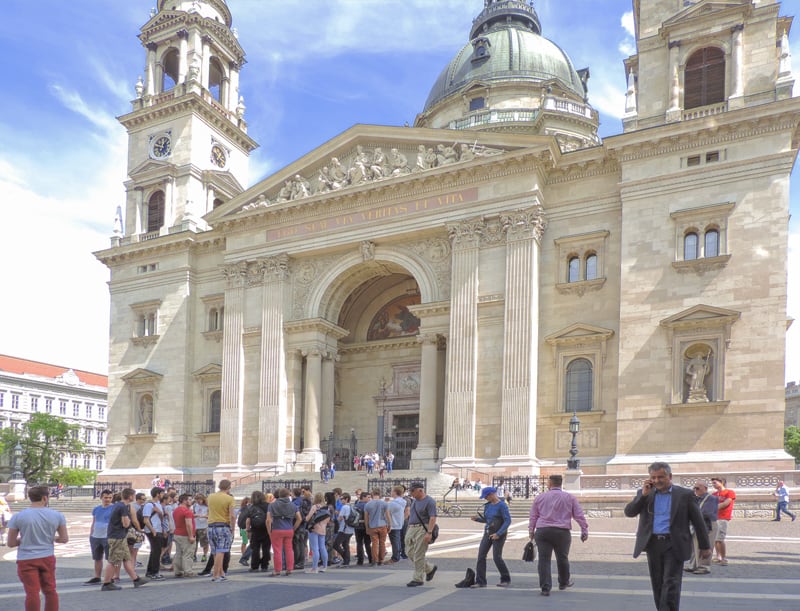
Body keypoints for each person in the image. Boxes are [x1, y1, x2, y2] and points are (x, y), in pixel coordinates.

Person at [625, 461, 711, 611]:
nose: (657, 481)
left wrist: (705, 546)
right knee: (657, 583)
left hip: (674, 543)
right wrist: (643, 496)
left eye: (661, 477)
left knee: (671, 582)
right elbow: (630, 512)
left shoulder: (684, 495)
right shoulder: (645, 493)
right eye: (654, 477)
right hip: (653, 544)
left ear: (669, 476)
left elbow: (698, 521)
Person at [7, 485, 69, 611]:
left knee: (32, 592)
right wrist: (51, 538)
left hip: (26, 558)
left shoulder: (19, 516)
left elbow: (11, 543)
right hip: (47, 557)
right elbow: (64, 539)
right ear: (45, 498)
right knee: (50, 590)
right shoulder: (57, 515)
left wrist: (25, 539)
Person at [529, 474, 588, 596]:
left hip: (543, 531)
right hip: (562, 532)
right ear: (561, 483)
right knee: (562, 558)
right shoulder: (569, 497)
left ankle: (545, 587)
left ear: (549, 483)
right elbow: (579, 515)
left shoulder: (540, 497)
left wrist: (531, 531)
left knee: (544, 560)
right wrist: (584, 529)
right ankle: (563, 582)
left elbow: (533, 516)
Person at [99, 487, 148, 591]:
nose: (134, 497)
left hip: (117, 536)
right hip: (118, 537)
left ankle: (136, 579)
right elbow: (125, 524)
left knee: (126, 559)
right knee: (113, 560)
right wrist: (130, 522)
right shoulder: (124, 507)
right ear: (130, 496)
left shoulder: (118, 505)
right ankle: (107, 583)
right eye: (134, 496)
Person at [466, 486, 512, 588]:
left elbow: (507, 521)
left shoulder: (502, 506)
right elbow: (487, 519)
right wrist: (477, 519)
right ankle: (481, 581)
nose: (485, 498)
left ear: (492, 494)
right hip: (488, 533)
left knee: (497, 557)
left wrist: (498, 534)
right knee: (481, 556)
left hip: (498, 535)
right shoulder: (487, 505)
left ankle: (505, 579)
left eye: (486, 496)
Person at [404, 481, 437, 587]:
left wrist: (429, 532)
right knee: (409, 551)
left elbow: (433, 517)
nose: (411, 493)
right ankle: (429, 568)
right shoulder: (414, 501)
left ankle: (418, 578)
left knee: (419, 553)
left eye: (412, 491)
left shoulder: (430, 501)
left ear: (420, 490)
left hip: (423, 528)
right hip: (412, 528)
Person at [684, 481, 718, 575]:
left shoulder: (712, 498)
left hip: (708, 524)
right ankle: (693, 564)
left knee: (707, 544)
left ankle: (704, 566)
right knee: (694, 545)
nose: (695, 490)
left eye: (698, 488)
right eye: (694, 488)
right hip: (697, 524)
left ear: (705, 488)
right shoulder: (695, 499)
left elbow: (707, 512)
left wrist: (693, 515)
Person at [207, 479, 236, 582]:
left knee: (215, 551)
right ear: (228, 487)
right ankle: (216, 575)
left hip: (210, 526)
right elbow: (232, 515)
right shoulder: (229, 499)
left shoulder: (210, 497)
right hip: (223, 526)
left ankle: (221, 572)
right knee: (221, 551)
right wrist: (232, 528)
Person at [268, 487, 301, 576]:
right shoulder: (293, 505)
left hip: (277, 529)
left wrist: (269, 530)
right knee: (289, 549)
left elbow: (268, 520)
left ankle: (277, 570)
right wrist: (293, 528)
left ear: (279, 495)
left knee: (277, 550)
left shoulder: (272, 505)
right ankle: (289, 569)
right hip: (289, 529)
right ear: (288, 495)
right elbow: (299, 518)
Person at [84, 489, 114, 585]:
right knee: (97, 557)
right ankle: (97, 576)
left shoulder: (114, 508)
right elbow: (94, 521)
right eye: (105, 497)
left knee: (111, 558)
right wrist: (91, 533)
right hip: (96, 535)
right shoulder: (96, 509)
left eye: (110, 498)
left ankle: (111, 577)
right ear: (101, 497)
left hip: (108, 535)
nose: (108, 499)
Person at [142, 487, 166, 580]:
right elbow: (146, 519)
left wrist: (160, 513)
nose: (163, 495)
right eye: (162, 493)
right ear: (157, 494)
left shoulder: (158, 505)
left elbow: (161, 518)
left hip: (158, 529)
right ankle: (154, 572)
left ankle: (150, 571)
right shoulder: (149, 505)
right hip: (153, 530)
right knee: (156, 551)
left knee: (155, 551)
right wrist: (153, 531)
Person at [710, 476, 735, 565]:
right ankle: (718, 556)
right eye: (712, 483)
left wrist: (712, 508)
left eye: (715, 482)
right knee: (715, 539)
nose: (713, 485)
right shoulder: (714, 494)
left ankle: (724, 558)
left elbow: (726, 503)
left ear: (722, 482)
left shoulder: (729, 492)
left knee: (720, 538)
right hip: (714, 517)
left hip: (723, 517)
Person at [364, 488, 391, 566]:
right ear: (380, 494)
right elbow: (388, 515)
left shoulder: (368, 504)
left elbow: (366, 517)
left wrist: (367, 527)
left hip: (372, 526)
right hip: (382, 525)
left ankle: (374, 560)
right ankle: (381, 560)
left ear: (372, 494)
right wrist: (390, 525)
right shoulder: (384, 504)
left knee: (374, 543)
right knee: (382, 543)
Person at [172, 493, 196, 578]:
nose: (191, 501)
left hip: (177, 533)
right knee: (188, 553)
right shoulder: (187, 511)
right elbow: (188, 524)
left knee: (178, 553)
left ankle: (177, 571)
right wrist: (191, 536)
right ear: (184, 500)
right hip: (185, 535)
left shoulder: (176, 510)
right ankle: (188, 571)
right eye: (189, 500)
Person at [246, 490, 271, 572]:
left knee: (255, 549)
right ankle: (265, 565)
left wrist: (248, 530)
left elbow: (248, 520)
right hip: (266, 529)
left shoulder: (251, 507)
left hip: (255, 530)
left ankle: (255, 566)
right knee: (266, 548)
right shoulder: (268, 505)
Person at [305, 493, 330, 573]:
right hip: (323, 529)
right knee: (322, 547)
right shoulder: (327, 508)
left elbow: (308, 518)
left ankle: (314, 568)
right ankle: (325, 566)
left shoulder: (315, 507)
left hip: (314, 529)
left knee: (315, 548)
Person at [333, 492, 354, 567]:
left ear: (346, 499)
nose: (340, 500)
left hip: (343, 529)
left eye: (342, 499)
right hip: (350, 529)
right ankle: (346, 561)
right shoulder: (351, 506)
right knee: (345, 545)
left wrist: (336, 515)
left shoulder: (344, 507)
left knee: (335, 544)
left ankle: (345, 557)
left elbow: (340, 518)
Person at [387, 486, 406, 563]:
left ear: (395, 492)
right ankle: (397, 555)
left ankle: (395, 557)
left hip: (393, 524)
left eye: (392, 491)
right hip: (399, 522)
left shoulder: (393, 503)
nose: (391, 492)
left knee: (394, 541)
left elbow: (387, 512)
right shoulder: (402, 502)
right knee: (397, 540)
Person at [353, 491, 372, 566]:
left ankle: (360, 560)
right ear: (363, 497)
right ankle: (370, 558)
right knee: (367, 543)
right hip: (365, 525)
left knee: (359, 543)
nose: (369, 499)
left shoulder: (355, 505)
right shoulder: (367, 505)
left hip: (357, 525)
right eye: (368, 497)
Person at [192, 493, 209, 562]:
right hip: (195, 526)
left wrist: (201, 516)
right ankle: (194, 555)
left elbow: (209, 516)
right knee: (194, 542)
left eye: (200, 499)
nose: (198, 501)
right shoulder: (195, 505)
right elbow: (192, 513)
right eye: (197, 499)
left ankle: (204, 555)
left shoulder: (207, 507)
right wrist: (194, 515)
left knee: (204, 542)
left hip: (203, 526)